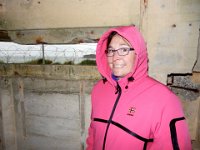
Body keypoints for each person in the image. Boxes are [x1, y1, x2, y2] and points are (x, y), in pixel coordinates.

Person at [86, 25, 192, 150]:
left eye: (124, 50)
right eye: (111, 50)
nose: (115, 57)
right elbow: (93, 134)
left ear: (138, 53)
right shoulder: (99, 89)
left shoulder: (164, 99)